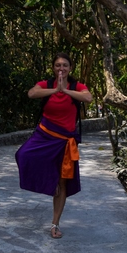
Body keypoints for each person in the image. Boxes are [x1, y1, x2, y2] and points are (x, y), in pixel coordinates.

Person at [15, 53, 93, 239]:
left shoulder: (76, 86)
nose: (61, 68)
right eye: (58, 65)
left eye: (65, 65)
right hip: (44, 135)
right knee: (22, 155)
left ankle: (55, 224)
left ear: (70, 68)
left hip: (65, 141)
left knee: (63, 182)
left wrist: (65, 91)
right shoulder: (46, 84)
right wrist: (55, 90)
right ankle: (50, 182)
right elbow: (31, 93)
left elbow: (88, 98)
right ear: (53, 68)